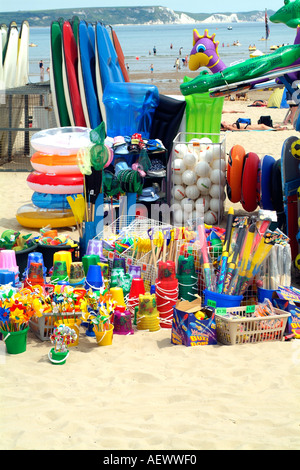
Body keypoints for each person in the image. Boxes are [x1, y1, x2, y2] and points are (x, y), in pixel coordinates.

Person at [221, 120, 288, 131]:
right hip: (249, 127)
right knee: (262, 126)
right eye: (223, 122)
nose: (224, 121)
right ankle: (276, 129)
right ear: (224, 126)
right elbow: (237, 130)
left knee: (262, 125)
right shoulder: (230, 127)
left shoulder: (229, 125)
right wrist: (246, 130)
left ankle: (274, 127)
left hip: (249, 125)